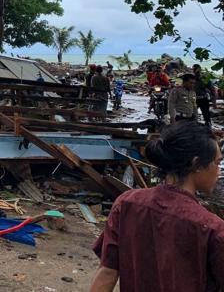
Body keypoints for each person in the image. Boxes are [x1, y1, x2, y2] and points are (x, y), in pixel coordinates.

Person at [90, 121, 224, 292]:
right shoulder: (211, 228)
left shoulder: (127, 203)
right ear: (196, 164)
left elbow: (107, 271)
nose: (218, 171)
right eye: (217, 163)